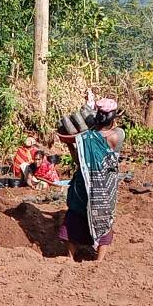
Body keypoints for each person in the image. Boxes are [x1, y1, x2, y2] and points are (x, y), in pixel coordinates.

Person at [58, 98, 124, 261]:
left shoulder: (84, 138)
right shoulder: (117, 135)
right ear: (113, 118)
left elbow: (78, 160)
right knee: (104, 217)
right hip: (105, 186)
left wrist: (70, 143)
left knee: (75, 216)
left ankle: (70, 256)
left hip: (84, 183)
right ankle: (99, 260)